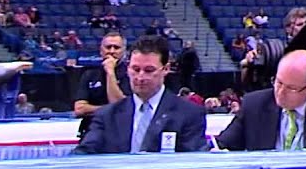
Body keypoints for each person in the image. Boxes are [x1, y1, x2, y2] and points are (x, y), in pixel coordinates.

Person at [73, 36, 207, 154]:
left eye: (149, 70)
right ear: (128, 68)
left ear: (165, 69)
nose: (140, 77)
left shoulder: (189, 114)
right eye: (135, 69)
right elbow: (83, 154)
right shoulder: (107, 115)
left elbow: (192, 161)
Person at [216, 50, 306, 151]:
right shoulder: (254, 104)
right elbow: (223, 146)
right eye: (278, 82)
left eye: (291, 88)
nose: (280, 93)